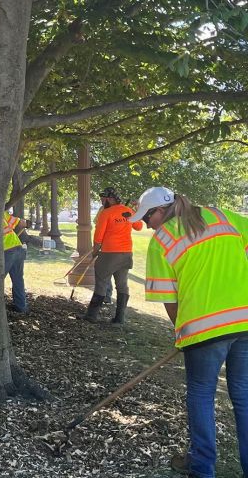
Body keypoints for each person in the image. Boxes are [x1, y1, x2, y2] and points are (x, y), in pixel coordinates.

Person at [130, 186, 248, 478]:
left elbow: (169, 300)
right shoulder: (224, 216)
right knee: (244, 395)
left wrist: (183, 331)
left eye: (148, 218)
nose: (147, 225)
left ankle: (202, 467)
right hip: (245, 320)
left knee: (201, 395)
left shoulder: (164, 238)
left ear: (160, 211)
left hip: (202, 328)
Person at [82, 187, 143, 324]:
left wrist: (95, 251)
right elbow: (139, 226)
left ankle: (91, 316)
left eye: (103, 199)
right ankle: (120, 318)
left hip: (109, 254)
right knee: (122, 285)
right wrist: (135, 212)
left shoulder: (106, 213)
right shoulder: (127, 211)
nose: (102, 201)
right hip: (126, 254)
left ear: (110, 198)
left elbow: (98, 236)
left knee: (101, 284)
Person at [4, 211, 28, 313]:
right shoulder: (2, 212)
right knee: (18, 279)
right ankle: (21, 307)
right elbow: (21, 222)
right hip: (18, 247)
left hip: (6, 250)